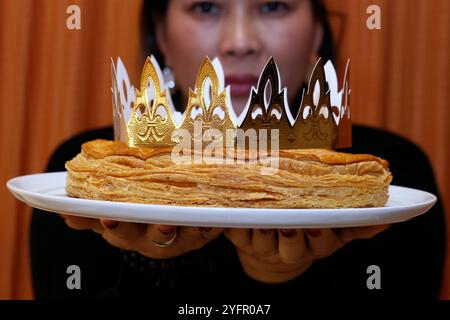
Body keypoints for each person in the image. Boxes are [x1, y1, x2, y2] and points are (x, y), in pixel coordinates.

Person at [31, 0, 446, 299]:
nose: (240, 42)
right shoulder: (89, 176)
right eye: (206, 7)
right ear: (160, 30)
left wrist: (283, 279)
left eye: (273, 6)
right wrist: (155, 263)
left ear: (318, 29)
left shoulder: (390, 177)